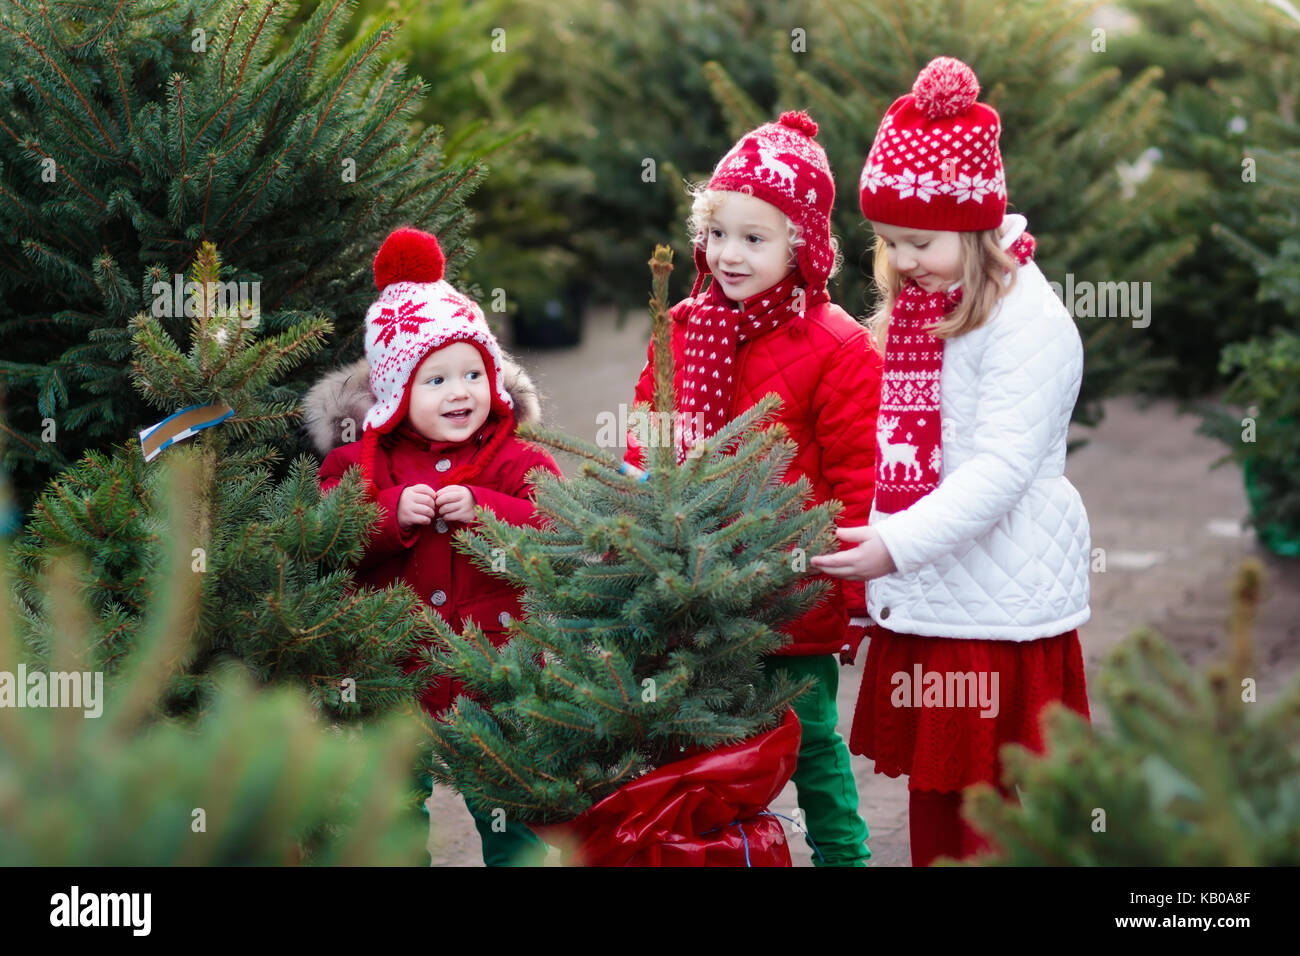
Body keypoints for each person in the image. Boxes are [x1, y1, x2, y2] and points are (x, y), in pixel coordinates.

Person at [810, 57, 1092, 866]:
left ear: (974, 227)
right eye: (889, 241)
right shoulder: (934, 306)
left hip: (996, 609)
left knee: (990, 809)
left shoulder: (1027, 324)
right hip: (943, 590)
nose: (901, 261)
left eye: (919, 241)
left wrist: (890, 545)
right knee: (938, 799)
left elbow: (998, 472)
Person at [624, 111, 882, 867]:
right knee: (696, 746)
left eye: (755, 238)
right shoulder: (682, 325)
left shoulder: (838, 346)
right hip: (691, 585)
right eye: (720, 234)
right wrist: (641, 487)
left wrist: (853, 596)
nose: (730, 255)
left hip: (788, 591)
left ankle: (844, 856)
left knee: (810, 745)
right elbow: (651, 422)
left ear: (801, 247)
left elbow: (855, 479)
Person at [308, 226, 560, 866]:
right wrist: (390, 514)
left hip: (496, 671)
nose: (460, 393)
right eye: (436, 379)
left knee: (510, 809)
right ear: (393, 396)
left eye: (473, 373)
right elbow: (328, 535)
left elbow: (558, 528)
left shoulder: (512, 461)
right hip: (398, 674)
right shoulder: (358, 467)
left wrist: (488, 511)